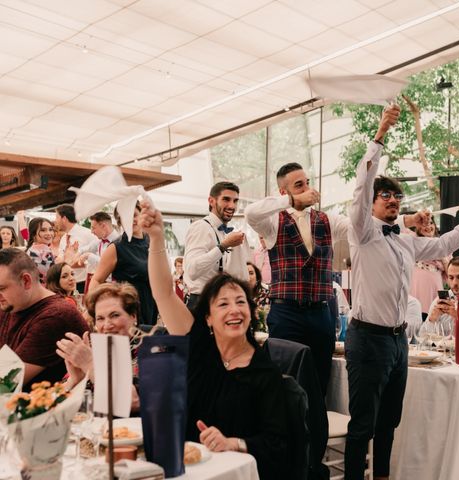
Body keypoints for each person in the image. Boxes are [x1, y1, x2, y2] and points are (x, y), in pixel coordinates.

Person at [344, 104, 459, 480]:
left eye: (396, 198)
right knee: (363, 423)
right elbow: (361, 187)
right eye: (385, 197)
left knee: (389, 422)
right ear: (373, 203)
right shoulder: (362, 232)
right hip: (366, 339)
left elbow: (448, 239)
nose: (393, 201)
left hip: (398, 344)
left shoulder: (406, 242)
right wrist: (380, 134)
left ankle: (380, 475)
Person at [139, 201, 289, 480]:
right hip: (180, 469)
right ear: (207, 318)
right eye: (223, 304)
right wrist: (157, 238)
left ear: (250, 312)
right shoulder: (199, 348)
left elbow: (278, 443)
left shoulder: (263, 371)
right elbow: (163, 293)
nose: (234, 310)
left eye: (240, 302)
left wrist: (234, 443)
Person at [244, 161, 351, 396]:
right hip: (286, 314)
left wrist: (404, 222)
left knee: (320, 382)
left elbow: (358, 226)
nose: (307, 188)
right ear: (284, 191)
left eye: (308, 183)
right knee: (286, 383)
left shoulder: (326, 220)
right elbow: (250, 213)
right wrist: (291, 202)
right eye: (299, 185)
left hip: (322, 314)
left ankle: (316, 431)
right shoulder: (273, 222)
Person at [0, 248, 88, 390]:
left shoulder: (55, 316)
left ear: (26, 281)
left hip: (43, 409)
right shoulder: (11, 304)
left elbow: (6, 384)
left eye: (2, 288)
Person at [56, 282, 146, 412]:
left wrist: (90, 365)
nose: (107, 325)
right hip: (89, 428)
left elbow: (132, 401)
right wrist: (76, 380)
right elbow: (54, 401)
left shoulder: (148, 347)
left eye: (115, 315)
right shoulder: (94, 348)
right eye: (100, 318)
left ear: (133, 316)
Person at [88, 202, 158, 326]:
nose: (131, 220)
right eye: (126, 217)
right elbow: (97, 280)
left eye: (134, 215)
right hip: (128, 308)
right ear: (120, 222)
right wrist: (93, 310)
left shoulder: (151, 240)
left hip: (152, 304)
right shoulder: (116, 247)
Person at [183, 181, 250, 311]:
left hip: (220, 300)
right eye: (226, 199)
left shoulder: (225, 232)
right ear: (211, 201)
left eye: (235, 201)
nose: (232, 205)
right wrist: (223, 246)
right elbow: (192, 270)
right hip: (201, 302)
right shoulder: (201, 227)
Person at [409, 215, 449, 321]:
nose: (428, 226)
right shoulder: (412, 242)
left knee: (435, 322)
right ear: (417, 227)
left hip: (435, 290)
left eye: (431, 223)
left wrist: (443, 257)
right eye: (424, 223)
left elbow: (451, 276)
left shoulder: (443, 245)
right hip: (416, 289)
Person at [426, 256, 459, 336]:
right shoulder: (440, 300)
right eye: (451, 277)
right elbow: (421, 338)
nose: (454, 283)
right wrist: (431, 320)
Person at [55, 204, 98, 293]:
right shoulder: (64, 238)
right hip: (67, 286)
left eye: (57, 217)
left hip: (85, 283)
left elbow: (98, 256)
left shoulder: (88, 234)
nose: (55, 221)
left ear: (64, 219)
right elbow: (60, 258)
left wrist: (79, 262)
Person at [25, 217, 56, 283]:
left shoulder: (36, 249)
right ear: (33, 234)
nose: (48, 233)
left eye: (50, 229)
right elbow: (53, 274)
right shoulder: (40, 251)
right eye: (43, 230)